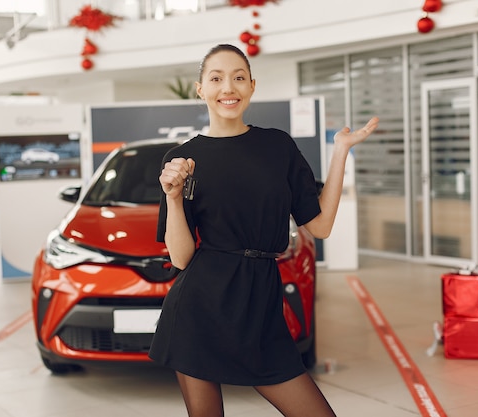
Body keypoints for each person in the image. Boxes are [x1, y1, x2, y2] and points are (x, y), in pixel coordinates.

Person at [149, 43, 379, 417]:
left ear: (252, 87)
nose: (229, 88)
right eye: (217, 78)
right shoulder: (182, 159)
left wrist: (340, 153)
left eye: (239, 78)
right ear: (200, 89)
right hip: (201, 307)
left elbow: (319, 226)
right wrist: (173, 198)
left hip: (260, 300)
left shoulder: (277, 146)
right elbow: (181, 257)